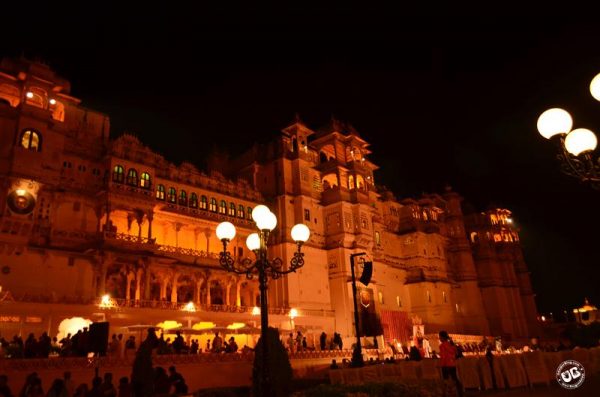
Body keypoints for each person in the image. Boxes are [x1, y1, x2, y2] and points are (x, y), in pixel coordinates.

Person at [439, 331, 463, 397]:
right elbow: (454, 354)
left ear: (443, 337)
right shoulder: (451, 345)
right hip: (452, 364)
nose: (439, 339)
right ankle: (460, 392)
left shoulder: (442, 345)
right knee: (454, 378)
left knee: (445, 380)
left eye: (440, 337)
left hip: (446, 365)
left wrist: (441, 364)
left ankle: (447, 394)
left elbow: (443, 356)